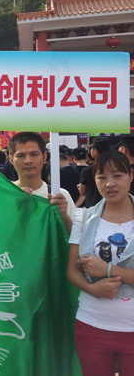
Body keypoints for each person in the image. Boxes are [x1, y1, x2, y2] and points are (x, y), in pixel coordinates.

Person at [67, 150, 134, 376]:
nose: (109, 184)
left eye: (117, 176)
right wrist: (92, 288)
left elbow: (102, 268)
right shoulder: (83, 218)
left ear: (130, 176)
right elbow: (72, 270)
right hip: (92, 325)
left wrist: (107, 269)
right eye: (101, 177)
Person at [8, 132, 75, 234]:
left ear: (44, 157)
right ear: (11, 159)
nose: (28, 161)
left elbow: (77, 238)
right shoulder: (5, 195)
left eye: (34, 154)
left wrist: (64, 216)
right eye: (21, 155)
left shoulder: (60, 196)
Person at [77, 137, 112, 208]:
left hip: (93, 206)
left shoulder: (87, 170)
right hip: (111, 205)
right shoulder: (116, 168)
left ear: (95, 151)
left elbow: (82, 193)